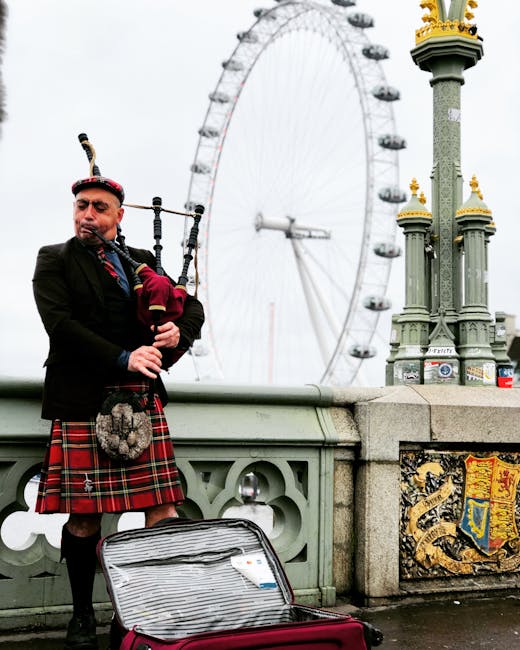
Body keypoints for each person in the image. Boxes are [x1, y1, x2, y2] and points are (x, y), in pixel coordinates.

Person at [32, 176, 204, 650]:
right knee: (85, 517)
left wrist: (176, 335)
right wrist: (123, 356)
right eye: (81, 206)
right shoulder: (54, 260)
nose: (87, 214)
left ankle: (151, 609)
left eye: (99, 208)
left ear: (118, 216)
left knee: (162, 509)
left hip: (141, 400)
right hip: (82, 400)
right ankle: (83, 614)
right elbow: (60, 326)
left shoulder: (142, 263)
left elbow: (191, 308)